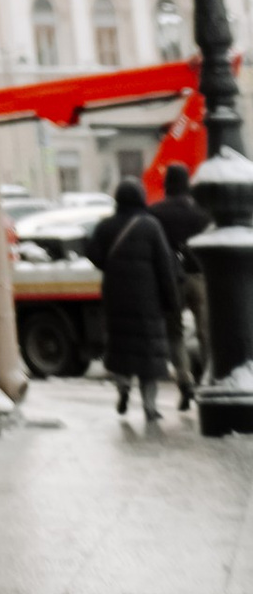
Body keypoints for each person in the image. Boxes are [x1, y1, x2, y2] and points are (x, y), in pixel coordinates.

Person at [90, 175, 182, 423]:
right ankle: (150, 406)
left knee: (121, 347)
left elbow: (94, 254)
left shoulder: (105, 226)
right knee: (148, 353)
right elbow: (165, 267)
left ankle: (123, 389)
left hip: (116, 297)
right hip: (147, 300)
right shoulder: (150, 226)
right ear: (141, 197)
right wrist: (172, 302)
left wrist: (112, 265)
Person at [151, 158, 208, 400]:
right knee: (206, 330)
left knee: (175, 332)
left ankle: (184, 379)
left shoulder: (156, 213)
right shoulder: (202, 212)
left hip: (171, 279)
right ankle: (208, 377)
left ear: (167, 184)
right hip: (198, 277)